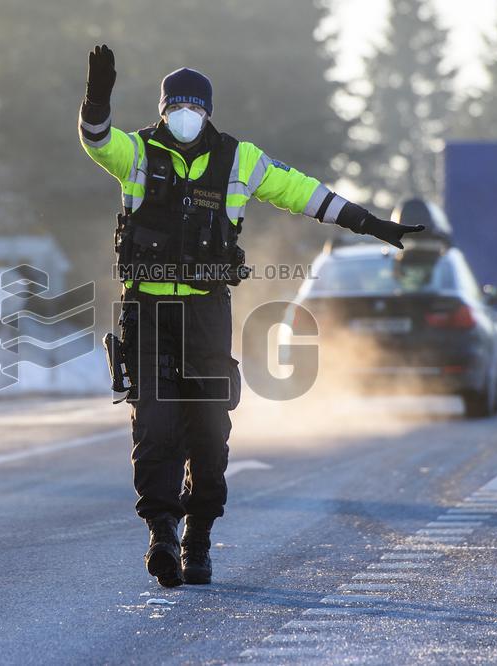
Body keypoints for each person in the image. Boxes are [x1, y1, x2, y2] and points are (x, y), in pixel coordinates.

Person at [78, 44, 423, 588]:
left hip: (207, 311)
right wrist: (97, 97)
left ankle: (198, 539)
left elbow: (304, 193)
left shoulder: (240, 159)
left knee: (210, 430)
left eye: (194, 107)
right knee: (156, 427)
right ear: (164, 110)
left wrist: (373, 224)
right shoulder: (138, 154)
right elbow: (97, 140)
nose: (185, 116)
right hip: (147, 308)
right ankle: (163, 532)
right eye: (176, 107)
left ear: (208, 111)